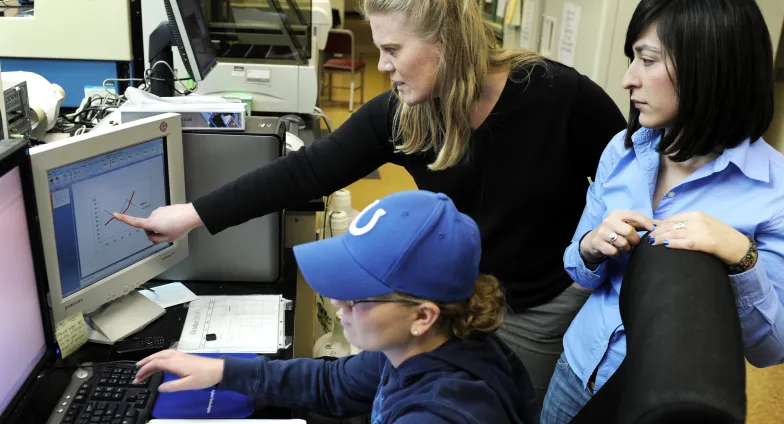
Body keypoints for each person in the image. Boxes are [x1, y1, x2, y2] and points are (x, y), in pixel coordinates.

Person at [116, 0, 626, 403]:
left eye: (393, 49)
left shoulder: (560, 96)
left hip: (539, 304)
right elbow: (308, 170)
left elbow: (629, 174)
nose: (382, 66)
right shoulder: (406, 112)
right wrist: (193, 215)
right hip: (447, 299)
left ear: (446, 42)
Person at [541, 0, 784, 422]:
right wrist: (591, 248)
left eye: (647, 59)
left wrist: (742, 257)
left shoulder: (773, 192)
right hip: (575, 372)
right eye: (632, 57)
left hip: (659, 404)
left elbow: (771, 348)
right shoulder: (622, 150)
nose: (627, 79)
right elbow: (575, 270)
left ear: (709, 69)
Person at [132, 190, 540, 423]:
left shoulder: (443, 414)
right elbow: (334, 385)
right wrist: (221, 370)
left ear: (422, 315)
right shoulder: (419, 346)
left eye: (358, 296)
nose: (337, 303)